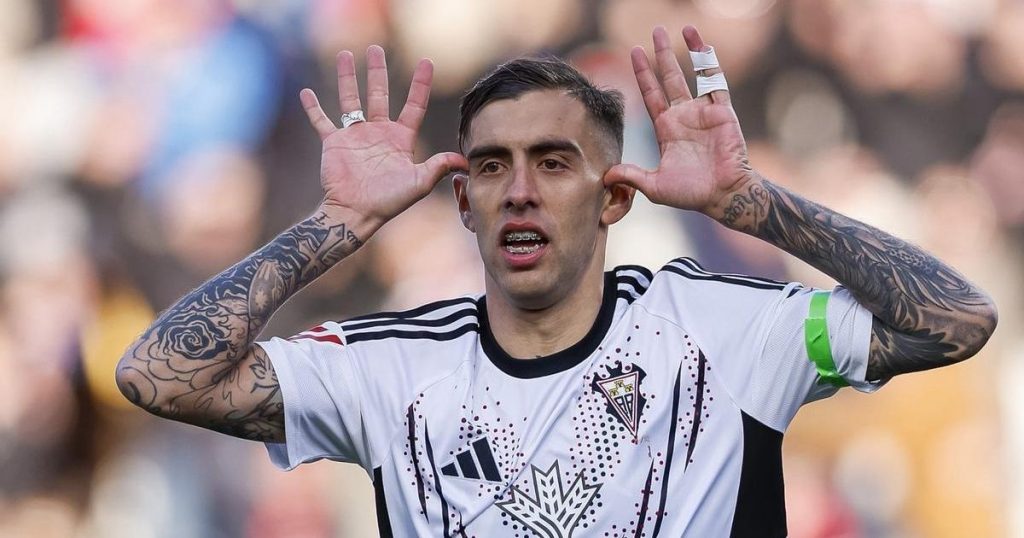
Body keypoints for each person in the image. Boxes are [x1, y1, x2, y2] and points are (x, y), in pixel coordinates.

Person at [115, 25, 997, 537]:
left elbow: (954, 320)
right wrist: (336, 227)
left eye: (554, 161)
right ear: (464, 204)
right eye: (491, 166)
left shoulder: (724, 330)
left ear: (615, 197)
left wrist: (754, 205)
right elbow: (160, 376)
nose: (520, 190)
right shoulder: (390, 370)